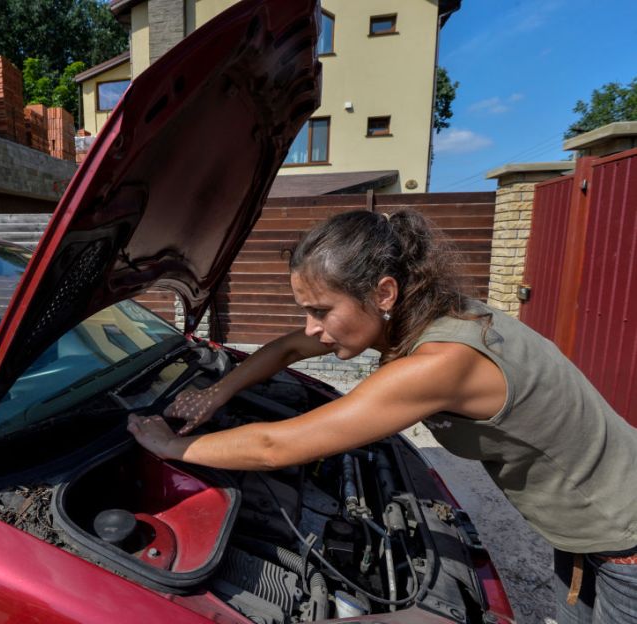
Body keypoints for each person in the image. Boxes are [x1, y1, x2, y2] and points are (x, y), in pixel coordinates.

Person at [127, 209, 637, 623]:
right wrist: (216, 392)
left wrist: (171, 447)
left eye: (322, 311)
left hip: (624, 546)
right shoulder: (434, 312)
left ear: (385, 293)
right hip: (589, 537)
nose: (314, 328)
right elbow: (287, 349)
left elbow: (275, 447)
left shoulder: (441, 363)